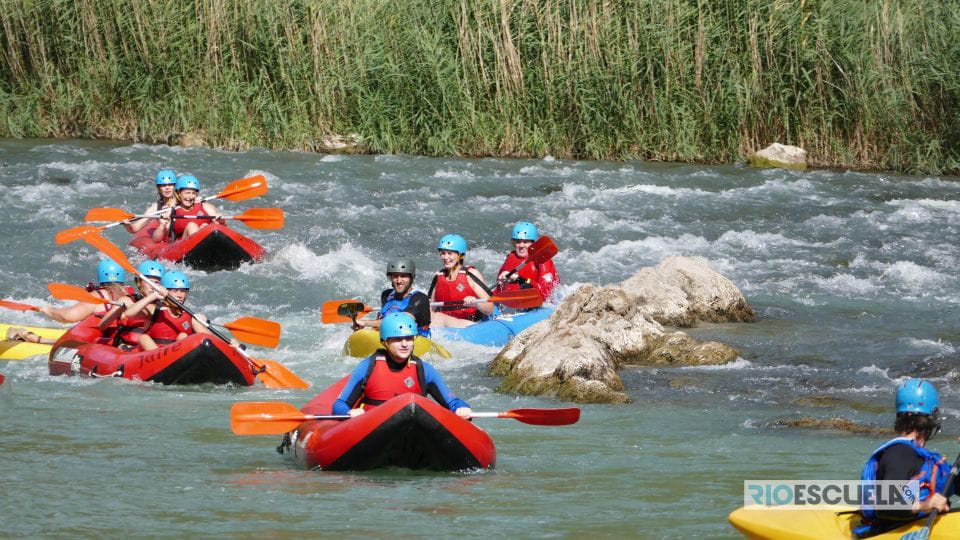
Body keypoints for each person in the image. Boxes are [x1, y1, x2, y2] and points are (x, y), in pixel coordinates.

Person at [855, 379, 957, 536]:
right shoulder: (900, 453)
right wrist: (925, 505)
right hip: (891, 531)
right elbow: (886, 504)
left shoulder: (918, 455)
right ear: (933, 417)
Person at [332, 312, 471, 418]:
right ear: (384, 341)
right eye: (397, 339)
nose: (404, 344)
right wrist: (349, 412)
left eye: (409, 338)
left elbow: (452, 402)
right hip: (374, 429)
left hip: (411, 428)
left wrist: (462, 408)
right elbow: (339, 405)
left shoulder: (424, 370)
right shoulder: (368, 366)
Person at [125, 271, 212, 351]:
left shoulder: (188, 315)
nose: (180, 295)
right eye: (175, 291)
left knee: (183, 336)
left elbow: (210, 338)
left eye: (183, 291)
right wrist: (153, 296)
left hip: (176, 356)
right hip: (152, 354)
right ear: (166, 291)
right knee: (143, 338)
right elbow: (129, 314)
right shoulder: (155, 309)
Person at [427, 234, 494, 329]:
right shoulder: (438, 276)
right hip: (446, 326)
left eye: (450, 253)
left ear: (460, 256)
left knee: (439, 318)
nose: (445, 257)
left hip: (471, 324)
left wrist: (476, 303)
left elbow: (490, 308)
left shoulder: (470, 274)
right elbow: (430, 308)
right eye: (443, 253)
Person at [97, 259, 166, 349]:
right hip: (126, 350)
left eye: (157, 282)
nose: (153, 286)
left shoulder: (165, 307)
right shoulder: (127, 301)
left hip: (151, 350)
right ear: (139, 283)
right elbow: (102, 326)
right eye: (149, 282)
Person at [37, 259, 132, 324]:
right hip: (122, 339)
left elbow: (67, 317)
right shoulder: (131, 294)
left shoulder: (97, 297)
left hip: (103, 343)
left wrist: (48, 310)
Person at [353, 258, 432, 337]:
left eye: (403, 276)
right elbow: (381, 319)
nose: (399, 281)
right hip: (389, 338)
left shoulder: (420, 299)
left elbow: (398, 321)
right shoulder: (386, 295)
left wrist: (365, 323)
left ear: (412, 277)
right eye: (395, 276)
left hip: (414, 340)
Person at [496, 221, 559, 301]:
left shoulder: (543, 261)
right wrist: (501, 281)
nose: (521, 245)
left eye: (525, 242)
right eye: (518, 242)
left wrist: (520, 279)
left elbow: (545, 293)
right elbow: (498, 290)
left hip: (535, 304)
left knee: (526, 287)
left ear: (533, 243)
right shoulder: (511, 257)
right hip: (512, 303)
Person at [152, 174, 223, 242]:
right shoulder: (172, 211)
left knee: (205, 226)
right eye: (187, 193)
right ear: (179, 193)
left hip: (205, 241)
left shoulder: (205, 206)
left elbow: (220, 227)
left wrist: (221, 221)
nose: (190, 196)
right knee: (191, 226)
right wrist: (162, 225)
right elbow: (156, 240)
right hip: (183, 245)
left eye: (193, 193)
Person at [124, 170, 179, 234]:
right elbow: (134, 229)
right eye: (163, 185)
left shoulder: (183, 201)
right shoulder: (156, 207)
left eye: (170, 185)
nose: (167, 188)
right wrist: (127, 224)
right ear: (158, 188)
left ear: (175, 186)